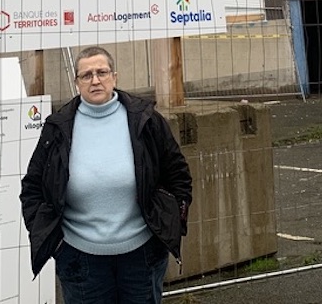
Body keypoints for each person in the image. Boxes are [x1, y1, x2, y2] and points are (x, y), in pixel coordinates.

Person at [20, 45, 193, 304]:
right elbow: (33, 187)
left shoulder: (146, 120)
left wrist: (173, 223)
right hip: (80, 259)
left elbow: (178, 175)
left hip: (142, 255)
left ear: (114, 76)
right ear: (77, 82)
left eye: (102, 72)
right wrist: (56, 244)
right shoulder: (58, 127)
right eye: (86, 75)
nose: (95, 80)